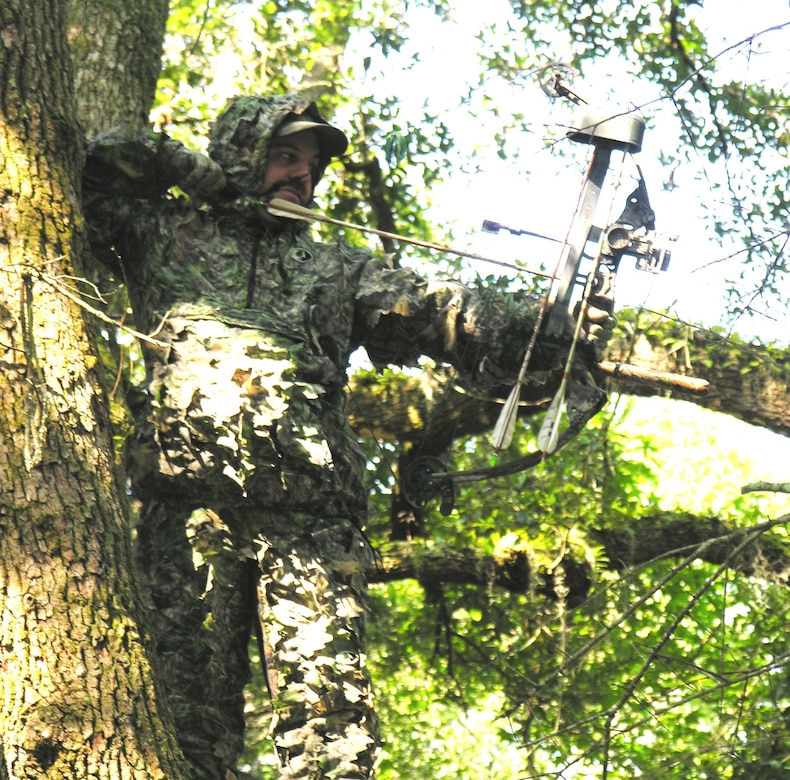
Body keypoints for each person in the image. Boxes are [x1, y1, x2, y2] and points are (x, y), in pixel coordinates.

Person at [83, 93, 605, 779]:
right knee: (182, 732)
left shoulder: (337, 267)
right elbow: (101, 165)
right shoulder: (164, 233)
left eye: (312, 164)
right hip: (189, 520)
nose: (301, 175)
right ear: (242, 153)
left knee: (333, 739)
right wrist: (204, 177)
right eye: (284, 156)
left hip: (310, 532)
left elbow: (441, 312)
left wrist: (551, 335)